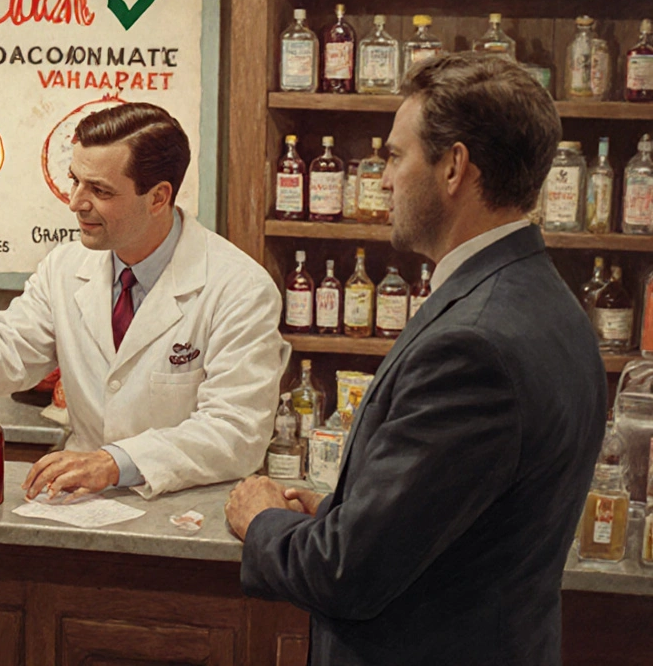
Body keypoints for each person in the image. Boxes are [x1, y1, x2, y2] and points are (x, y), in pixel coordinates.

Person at [226, 53, 607, 665]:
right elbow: (470, 520)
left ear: (454, 166)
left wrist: (263, 520)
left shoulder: (475, 345)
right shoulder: (542, 297)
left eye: (395, 156)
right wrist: (337, 515)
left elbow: (347, 575)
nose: (381, 179)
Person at [0, 102, 289, 499]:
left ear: (158, 197)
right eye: (75, 180)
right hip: (84, 504)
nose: (75, 202)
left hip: (184, 509)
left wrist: (114, 462)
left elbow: (235, 431)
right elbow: (10, 348)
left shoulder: (239, 288)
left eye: (99, 190)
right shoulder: (66, 267)